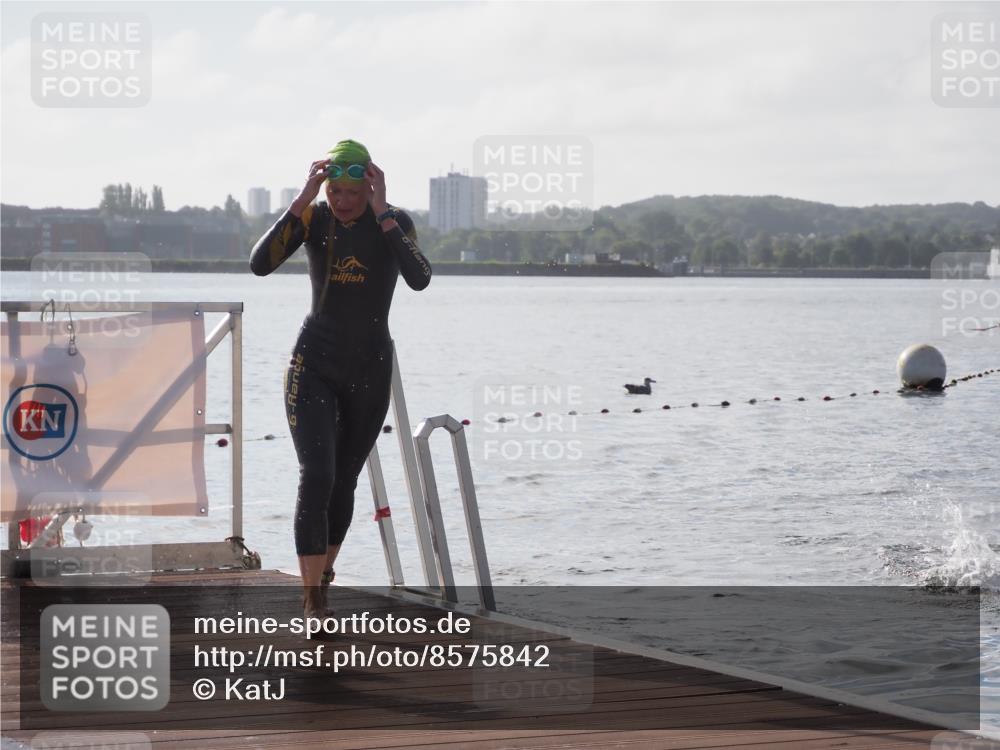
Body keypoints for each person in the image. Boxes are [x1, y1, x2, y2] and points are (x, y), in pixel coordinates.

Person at [250, 139, 431, 620]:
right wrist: (301, 202)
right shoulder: (315, 220)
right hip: (314, 365)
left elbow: (420, 277)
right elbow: (260, 264)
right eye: (336, 192)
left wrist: (385, 212)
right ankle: (311, 600)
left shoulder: (394, 223)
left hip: (369, 368)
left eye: (353, 192)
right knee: (318, 473)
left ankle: (323, 579)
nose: (344, 202)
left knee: (345, 478)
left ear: (368, 186)